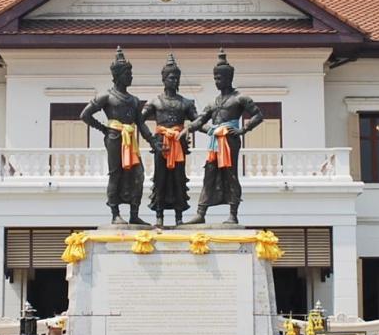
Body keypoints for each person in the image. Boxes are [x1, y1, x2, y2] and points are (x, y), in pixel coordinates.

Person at [81, 47, 155, 225]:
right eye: (128, 73)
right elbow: (85, 115)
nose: (130, 77)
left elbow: (140, 123)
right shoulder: (106, 96)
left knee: (138, 174)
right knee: (116, 174)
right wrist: (104, 129)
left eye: (131, 73)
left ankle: (134, 213)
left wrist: (153, 141)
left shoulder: (134, 100)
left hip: (130, 139)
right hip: (115, 137)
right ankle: (115, 213)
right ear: (118, 75)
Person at [188, 50, 263, 226]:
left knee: (231, 175)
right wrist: (192, 129)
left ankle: (233, 213)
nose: (217, 81)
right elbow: (200, 121)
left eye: (219, 78)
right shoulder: (213, 103)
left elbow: (258, 115)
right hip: (215, 143)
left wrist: (243, 129)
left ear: (229, 78)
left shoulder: (240, 99)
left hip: (230, 141)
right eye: (215, 78)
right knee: (209, 173)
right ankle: (201, 212)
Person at [141, 53, 198, 227]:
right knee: (161, 178)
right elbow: (139, 120)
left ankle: (179, 215)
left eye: (176, 78)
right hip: (161, 143)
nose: (174, 80)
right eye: (171, 77)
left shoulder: (186, 103)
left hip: (178, 143)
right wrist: (151, 140)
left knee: (178, 179)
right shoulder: (155, 102)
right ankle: (159, 215)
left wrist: (190, 128)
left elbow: (197, 121)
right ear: (164, 79)